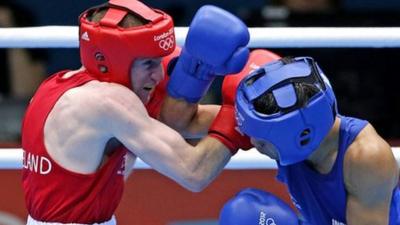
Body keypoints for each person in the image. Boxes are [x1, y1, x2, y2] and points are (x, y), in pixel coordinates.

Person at [21, 0, 252, 224]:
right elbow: (193, 171)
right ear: (107, 60)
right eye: (148, 64)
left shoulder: (58, 85)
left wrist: (249, 112)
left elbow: (182, 124)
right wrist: (243, 117)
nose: (158, 75)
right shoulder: (106, 101)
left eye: (158, 62)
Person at [217, 49, 400, 225]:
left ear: (301, 138)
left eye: (263, 140)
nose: (252, 142)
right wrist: (194, 73)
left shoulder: (365, 158)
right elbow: (192, 124)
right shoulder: (284, 125)